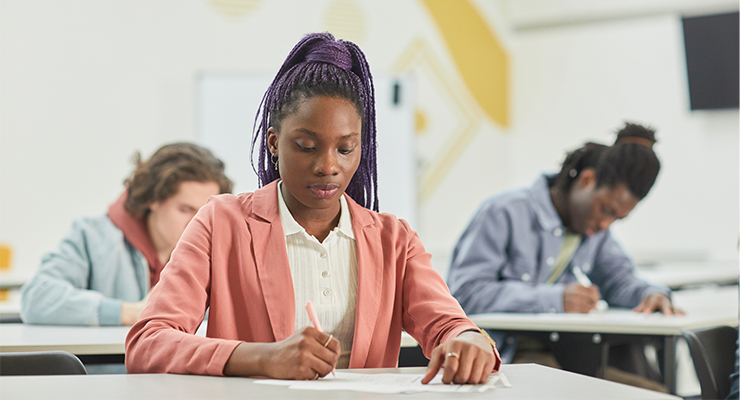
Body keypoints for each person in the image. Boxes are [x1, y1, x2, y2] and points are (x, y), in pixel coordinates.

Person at [125, 32, 501, 384]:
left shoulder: (394, 240)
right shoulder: (222, 223)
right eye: (306, 146)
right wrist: (262, 358)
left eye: (345, 148)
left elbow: (448, 325)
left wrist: (469, 339)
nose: (328, 166)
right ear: (274, 142)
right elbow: (148, 343)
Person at [447, 123, 682, 388]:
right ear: (586, 180)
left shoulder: (592, 230)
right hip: (506, 358)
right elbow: (465, 293)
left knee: (654, 392)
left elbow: (618, 279)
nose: (606, 224)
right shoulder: (504, 212)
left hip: (565, 355)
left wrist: (650, 295)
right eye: (606, 209)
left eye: (617, 218)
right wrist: (555, 298)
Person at [21, 143, 232, 326]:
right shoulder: (92, 236)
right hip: (115, 372)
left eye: (204, 212)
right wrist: (129, 312)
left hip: (179, 371)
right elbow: (37, 298)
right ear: (154, 200)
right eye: (185, 209)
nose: (197, 222)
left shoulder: (215, 249)